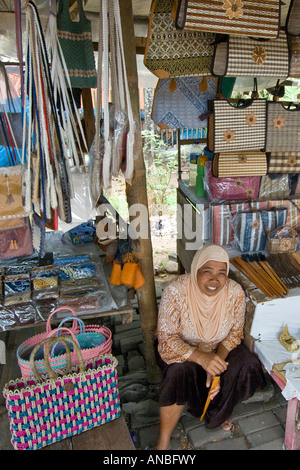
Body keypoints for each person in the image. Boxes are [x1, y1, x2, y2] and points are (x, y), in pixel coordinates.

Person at [155, 244, 266, 450]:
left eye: (221, 273)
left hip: (218, 347)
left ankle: (219, 411)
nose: (215, 280)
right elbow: (167, 338)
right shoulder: (176, 291)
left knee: (248, 365)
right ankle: (163, 440)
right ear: (196, 269)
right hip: (183, 349)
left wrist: (217, 362)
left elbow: (234, 334)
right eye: (207, 272)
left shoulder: (234, 292)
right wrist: (202, 359)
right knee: (179, 372)